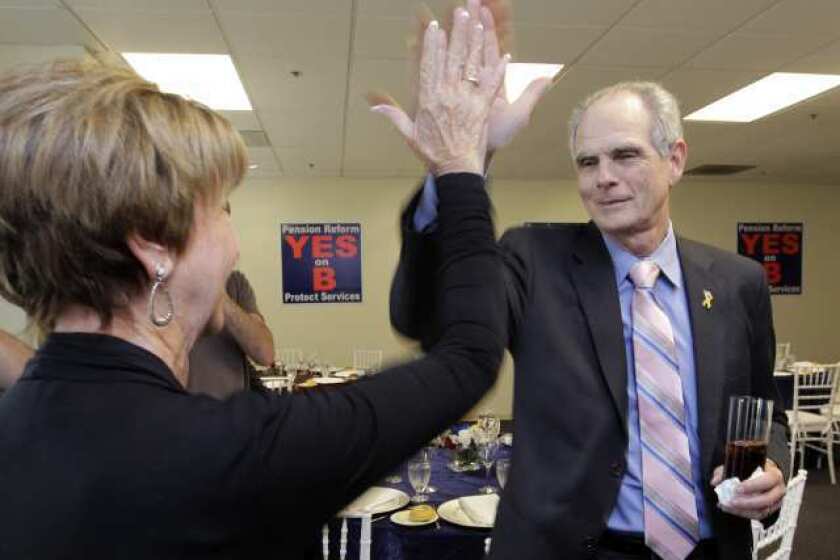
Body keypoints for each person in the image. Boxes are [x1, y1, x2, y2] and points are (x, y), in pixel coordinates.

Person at [0, 10, 508, 556]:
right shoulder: (220, 453)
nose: (234, 242)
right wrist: (460, 163)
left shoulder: (25, 416)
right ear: (153, 243)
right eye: (220, 209)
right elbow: (469, 357)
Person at [387, 24, 790, 560]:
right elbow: (425, 319)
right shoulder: (533, 259)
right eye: (587, 162)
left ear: (674, 160)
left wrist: (774, 466)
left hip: (709, 548)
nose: (603, 178)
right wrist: (457, 167)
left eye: (625, 156)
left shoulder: (739, 283)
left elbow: (767, 410)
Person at [187, 264, 274, 399]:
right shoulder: (160, 284)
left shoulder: (235, 282)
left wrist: (219, 295)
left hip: (233, 411)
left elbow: (265, 354)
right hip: (182, 410)